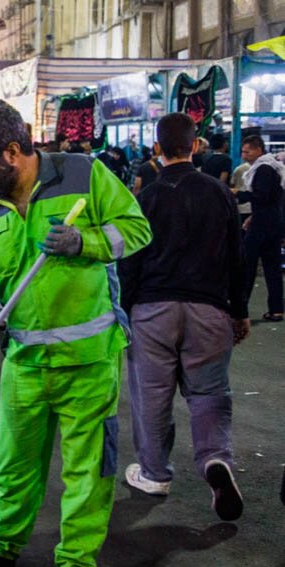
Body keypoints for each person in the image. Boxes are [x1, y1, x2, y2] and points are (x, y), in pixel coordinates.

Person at [0, 99, 152, 567]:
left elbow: (138, 228)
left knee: (88, 473)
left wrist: (87, 241)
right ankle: (1, 549)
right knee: (14, 466)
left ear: (12, 151)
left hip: (90, 359)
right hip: (24, 363)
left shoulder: (85, 175)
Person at [119, 112, 249, 521]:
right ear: (195, 146)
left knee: (152, 396)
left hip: (153, 310)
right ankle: (215, 460)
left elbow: (130, 261)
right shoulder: (219, 193)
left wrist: (124, 311)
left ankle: (155, 473)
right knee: (210, 393)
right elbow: (237, 258)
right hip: (209, 309)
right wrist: (240, 312)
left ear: (156, 150)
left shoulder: (146, 198)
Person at [235, 135, 284, 321]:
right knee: (272, 269)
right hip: (272, 223)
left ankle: (241, 309)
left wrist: (239, 194)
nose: (244, 155)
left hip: (262, 227)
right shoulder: (272, 167)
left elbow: (261, 197)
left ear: (258, 149)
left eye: (247, 151)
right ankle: (276, 309)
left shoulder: (263, 169)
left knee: (247, 265)